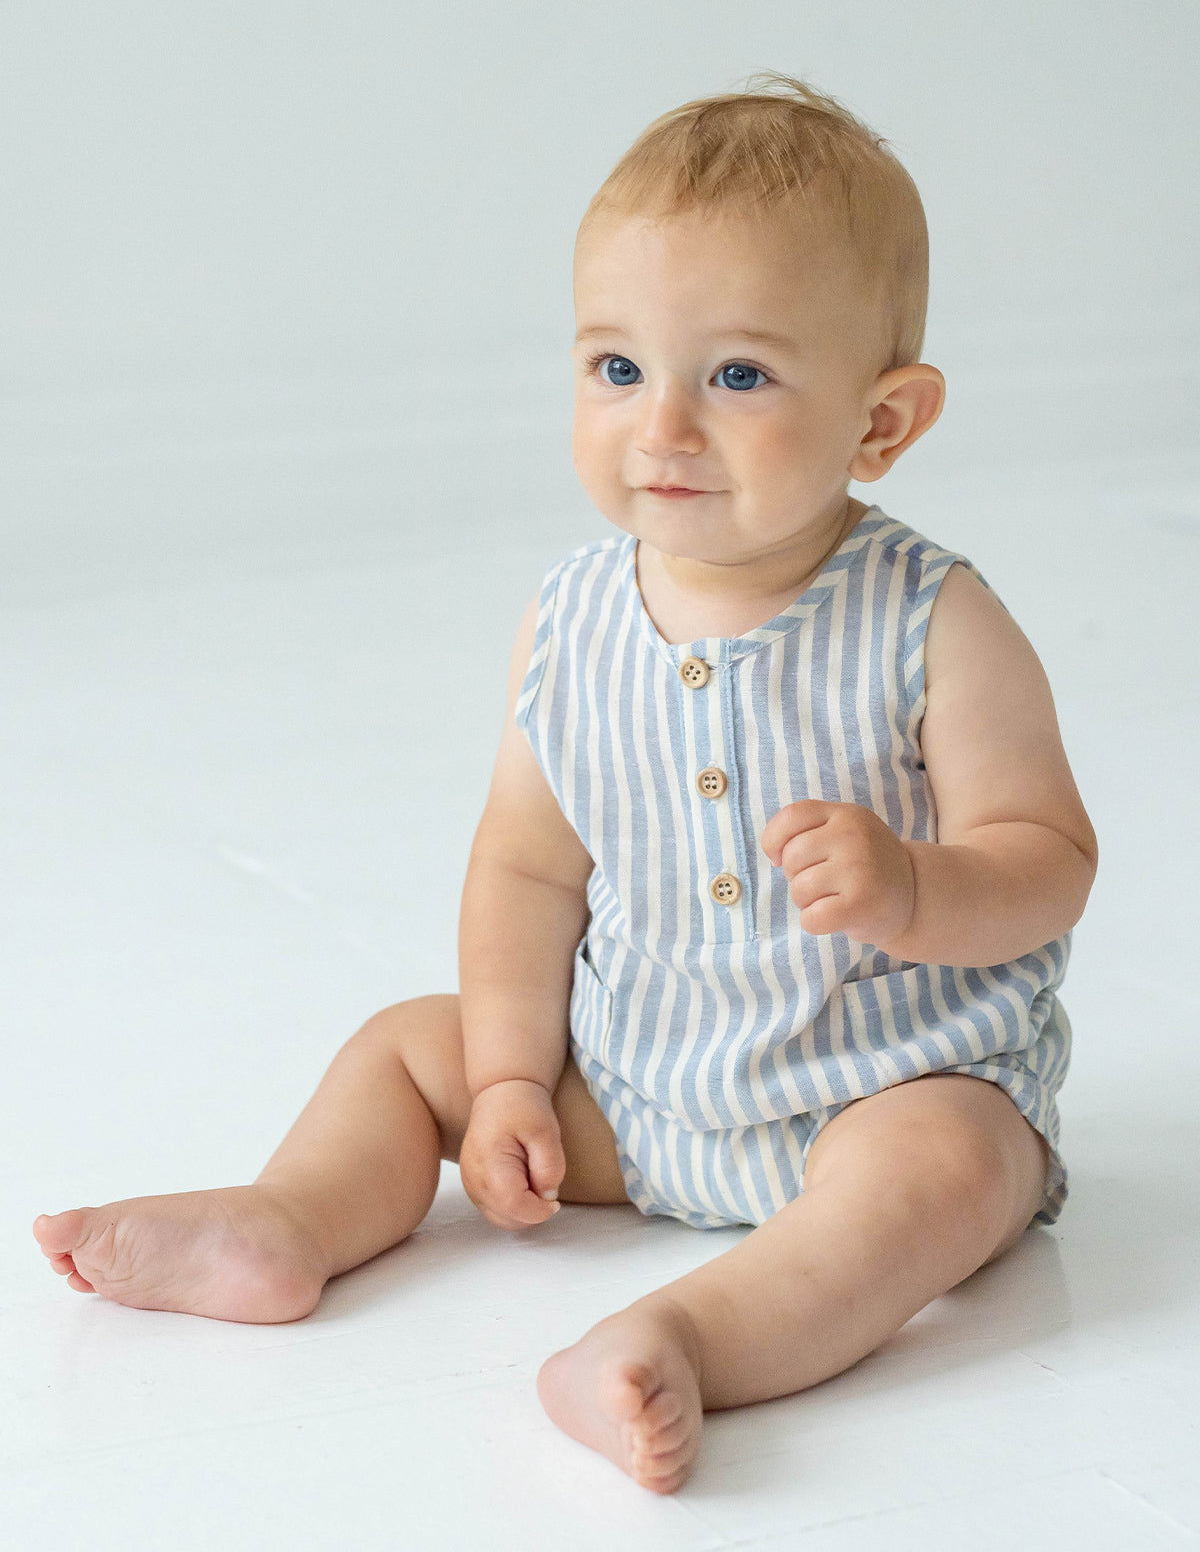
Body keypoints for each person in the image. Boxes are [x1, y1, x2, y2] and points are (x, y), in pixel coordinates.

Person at [32, 73, 1098, 1496]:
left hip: (880, 1088)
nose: (662, 425)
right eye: (616, 369)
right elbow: (528, 866)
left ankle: (677, 1341)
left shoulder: (932, 619)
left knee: (958, 1173)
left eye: (736, 376)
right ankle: (287, 1220)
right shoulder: (576, 617)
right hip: (645, 1086)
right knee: (412, 1046)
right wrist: (515, 1079)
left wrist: (918, 888)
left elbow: (1046, 853)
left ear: (883, 422)